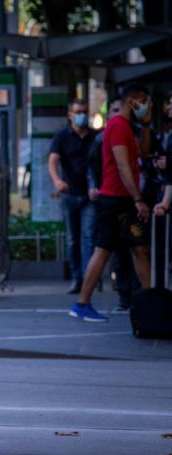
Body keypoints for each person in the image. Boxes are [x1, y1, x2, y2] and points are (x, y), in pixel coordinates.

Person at [70, 85, 153, 323]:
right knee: (105, 250)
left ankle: (148, 301)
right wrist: (138, 198)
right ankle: (82, 303)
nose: (147, 105)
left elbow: (143, 154)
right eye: (143, 101)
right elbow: (123, 165)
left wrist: (146, 124)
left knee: (138, 249)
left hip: (121, 200)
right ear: (132, 102)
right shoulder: (117, 127)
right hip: (116, 201)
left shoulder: (128, 127)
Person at [49, 98, 96, 294]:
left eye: (84, 111)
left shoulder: (95, 137)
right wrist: (57, 181)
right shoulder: (62, 137)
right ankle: (77, 278)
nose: (81, 115)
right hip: (69, 194)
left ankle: (87, 278)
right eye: (77, 111)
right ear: (70, 114)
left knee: (88, 236)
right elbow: (52, 161)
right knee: (72, 239)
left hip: (90, 195)